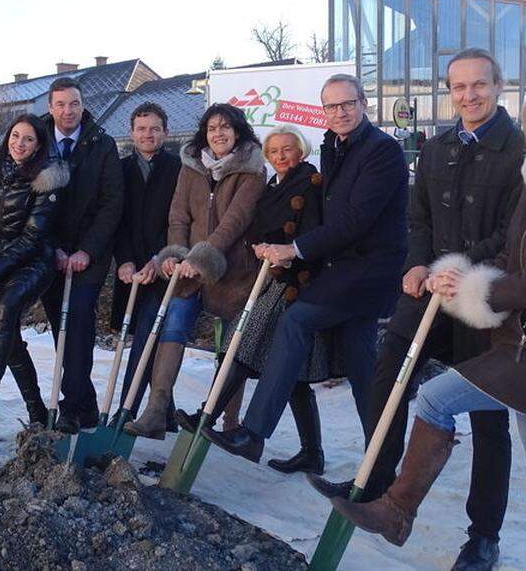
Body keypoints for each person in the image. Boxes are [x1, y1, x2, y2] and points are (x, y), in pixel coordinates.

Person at [324, 80, 526, 571]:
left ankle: (396, 511)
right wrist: (465, 277)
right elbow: (513, 254)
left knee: (434, 398)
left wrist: (485, 292)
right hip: (523, 341)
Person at [309, 48, 524, 570]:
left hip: (485, 300)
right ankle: (379, 482)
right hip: (429, 291)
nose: (469, 95)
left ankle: (483, 536)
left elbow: (516, 231)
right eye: (458, 87)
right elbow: (419, 217)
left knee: (489, 416)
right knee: (389, 377)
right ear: (448, 91)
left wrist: (462, 265)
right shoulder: (437, 148)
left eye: (479, 85)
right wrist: (417, 263)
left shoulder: (519, 147)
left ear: (498, 86)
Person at [203, 74, 408, 462]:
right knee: (362, 366)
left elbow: (356, 220)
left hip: (366, 272)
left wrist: (294, 249)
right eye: (332, 106)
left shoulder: (382, 151)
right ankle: (371, 459)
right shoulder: (335, 146)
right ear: (323, 112)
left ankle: (253, 432)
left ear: (363, 103)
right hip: (340, 269)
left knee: (295, 321)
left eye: (348, 104)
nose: (341, 112)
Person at [175, 125, 326, 474]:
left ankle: (208, 415)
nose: (281, 156)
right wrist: (260, 246)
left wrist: (290, 254)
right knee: (293, 373)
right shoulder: (273, 185)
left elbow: (316, 234)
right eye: (274, 151)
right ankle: (312, 452)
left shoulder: (310, 183)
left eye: (288, 149)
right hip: (270, 274)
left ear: (301, 151)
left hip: (292, 282)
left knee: (241, 347)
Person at [122, 103, 266, 439]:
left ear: (238, 131)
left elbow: (235, 221)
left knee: (232, 346)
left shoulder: (252, 169)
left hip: (234, 272)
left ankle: (226, 422)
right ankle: (157, 410)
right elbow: (178, 217)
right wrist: (174, 254)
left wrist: (200, 257)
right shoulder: (192, 166)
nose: (219, 134)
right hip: (188, 271)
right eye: (213, 128)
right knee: (172, 325)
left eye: (226, 127)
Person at [0, 114, 70, 439]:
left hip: (34, 262)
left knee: (6, 309)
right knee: (5, 335)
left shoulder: (46, 179)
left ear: (39, 146)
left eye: (28, 139)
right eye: (15, 136)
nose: (19, 144)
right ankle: (36, 409)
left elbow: (31, 239)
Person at [38, 77, 123, 433]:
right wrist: (52, 247)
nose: (67, 111)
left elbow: (111, 202)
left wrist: (87, 251)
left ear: (82, 104)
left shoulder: (101, 144)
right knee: (62, 327)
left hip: (89, 257)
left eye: (73, 103)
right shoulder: (37, 140)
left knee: (80, 326)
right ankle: (85, 403)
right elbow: (32, 200)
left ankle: (71, 408)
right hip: (48, 251)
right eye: (60, 104)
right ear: (50, 107)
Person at [110, 102, 181, 418]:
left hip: (166, 268)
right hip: (131, 271)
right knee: (149, 338)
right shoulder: (119, 170)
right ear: (131, 133)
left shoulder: (180, 169)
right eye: (141, 128)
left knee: (146, 337)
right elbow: (116, 221)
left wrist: (159, 258)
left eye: (154, 128)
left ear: (165, 132)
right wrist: (124, 260)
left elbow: (180, 221)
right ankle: (164, 415)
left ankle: (126, 410)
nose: (147, 134)